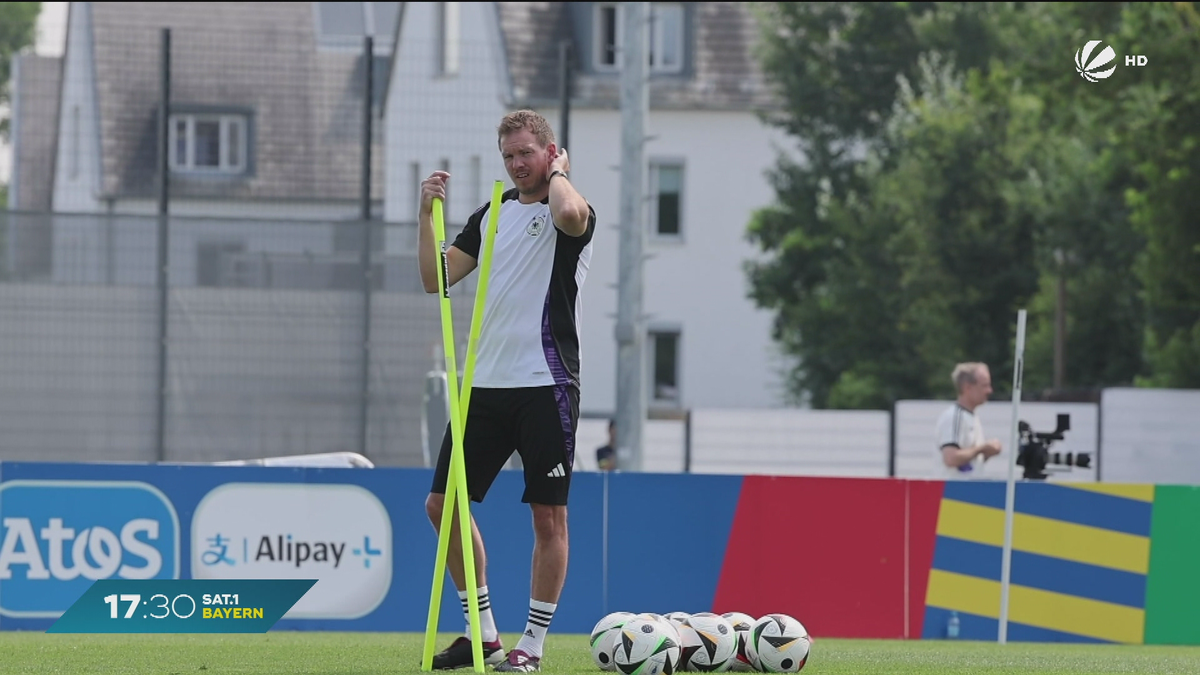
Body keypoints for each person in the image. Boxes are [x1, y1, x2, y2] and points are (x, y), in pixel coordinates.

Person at [418, 109, 596, 673]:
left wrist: (563, 173)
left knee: (548, 519)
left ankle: (533, 647)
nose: (518, 165)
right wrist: (425, 217)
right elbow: (435, 278)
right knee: (441, 507)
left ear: (550, 152)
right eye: (509, 156)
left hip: (546, 384)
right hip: (486, 385)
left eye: (527, 153)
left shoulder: (573, 210)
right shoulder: (490, 213)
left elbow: (568, 212)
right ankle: (484, 633)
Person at [935, 362, 1003, 479]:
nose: (989, 390)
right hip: (951, 492)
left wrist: (986, 453)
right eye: (984, 386)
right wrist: (982, 448)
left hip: (966, 491)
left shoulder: (972, 417)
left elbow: (968, 462)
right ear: (968, 387)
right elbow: (950, 458)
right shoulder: (955, 416)